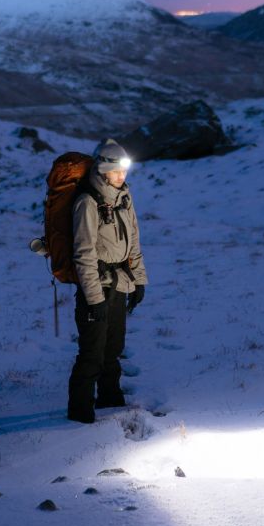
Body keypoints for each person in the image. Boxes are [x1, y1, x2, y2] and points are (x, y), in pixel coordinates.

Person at [67, 139, 148, 424]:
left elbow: (133, 241)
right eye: (116, 171)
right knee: (92, 353)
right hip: (97, 286)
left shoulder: (124, 197)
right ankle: (80, 415)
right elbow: (83, 253)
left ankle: (110, 402)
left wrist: (139, 280)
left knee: (113, 349)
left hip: (120, 283)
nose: (121, 176)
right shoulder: (87, 202)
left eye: (124, 171)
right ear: (103, 170)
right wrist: (93, 298)